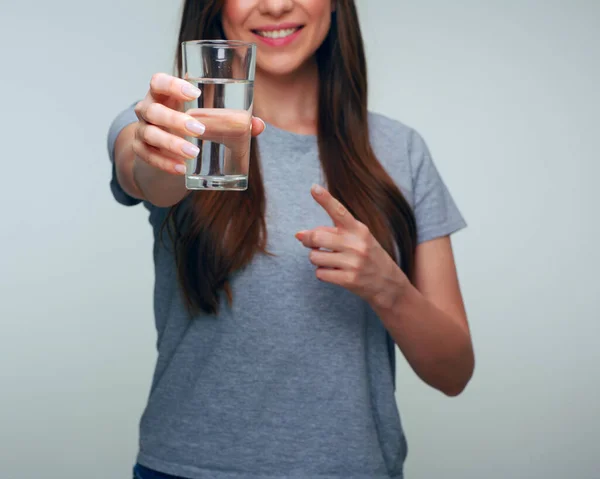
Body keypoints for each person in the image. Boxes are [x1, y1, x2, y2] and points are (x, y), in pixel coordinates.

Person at [107, 1, 475, 478]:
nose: (277, 5)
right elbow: (147, 175)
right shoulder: (169, 128)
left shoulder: (400, 149)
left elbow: (453, 373)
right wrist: (160, 150)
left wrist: (388, 287)